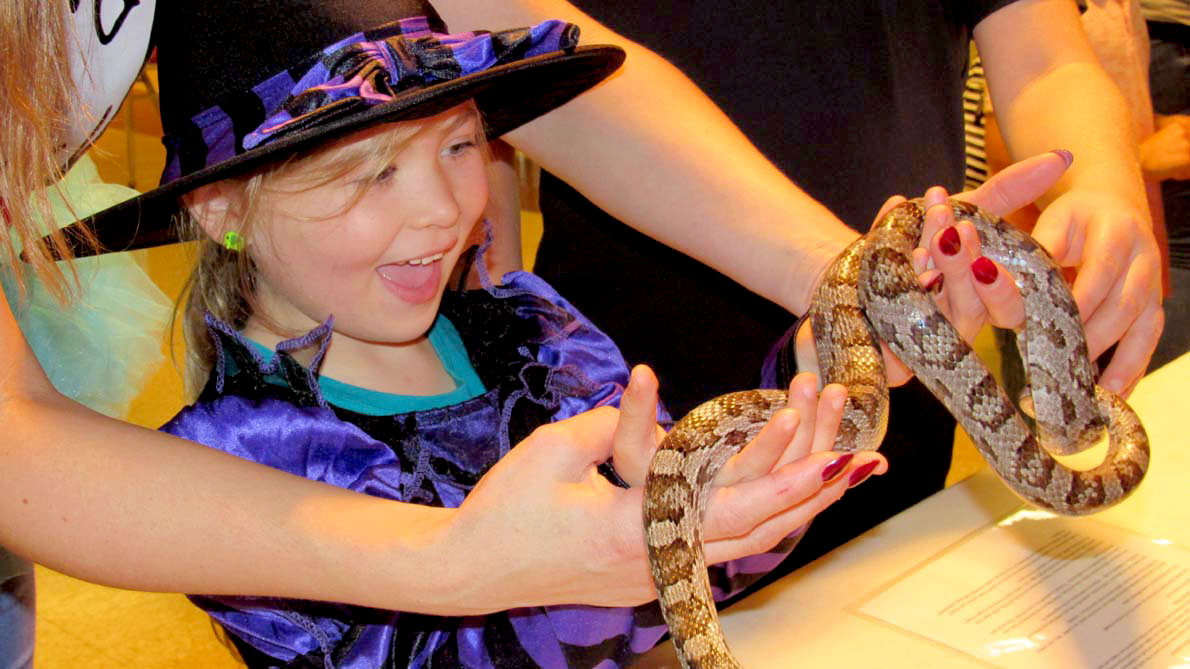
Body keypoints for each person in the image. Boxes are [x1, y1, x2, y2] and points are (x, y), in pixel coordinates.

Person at [2, 5, 874, 665]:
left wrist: (774, 452)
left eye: (460, 147)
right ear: (222, 207)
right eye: (374, 169)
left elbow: (693, 566)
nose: (441, 209)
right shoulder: (247, 457)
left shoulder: (534, 332)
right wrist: (637, 543)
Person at [440, 0, 1166, 580]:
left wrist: (1098, 179)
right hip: (628, 401)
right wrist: (844, 273)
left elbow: (1045, 57)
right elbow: (522, 40)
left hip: (896, 413)